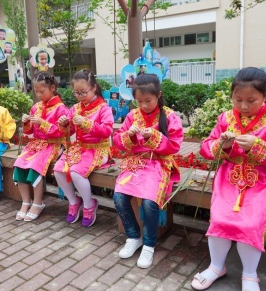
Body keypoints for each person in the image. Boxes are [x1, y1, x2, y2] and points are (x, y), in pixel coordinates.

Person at [193, 68, 266, 291]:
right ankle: (216, 266)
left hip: (262, 181)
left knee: (251, 224)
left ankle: (250, 275)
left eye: (251, 100)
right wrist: (223, 145)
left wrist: (257, 145)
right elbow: (206, 148)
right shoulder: (226, 118)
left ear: (265, 96)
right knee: (219, 220)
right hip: (228, 179)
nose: (243, 106)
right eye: (238, 99)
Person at [113, 73, 184, 269]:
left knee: (149, 202)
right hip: (136, 164)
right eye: (139, 101)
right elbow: (118, 141)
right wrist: (129, 135)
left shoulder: (169, 116)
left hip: (159, 164)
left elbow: (174, 146)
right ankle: (133, 236)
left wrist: (153, 136)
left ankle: (149, 244)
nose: (143, 105)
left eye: (148, 100)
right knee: (119, 196)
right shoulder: (132, 116)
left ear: (158, 95)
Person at [54, 69, 114, 227]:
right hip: (79, 148)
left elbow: (107, 131)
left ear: (93, 88)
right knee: (58, 169)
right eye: (76, 92)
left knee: (75, 172)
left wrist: (87, 123)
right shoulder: (75, 108)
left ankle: (89, 204)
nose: (79, 96)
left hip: (98, 149)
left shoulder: (103, 108)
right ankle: (74, 201)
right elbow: (69, 132)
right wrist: (64, 124)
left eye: (83, 92)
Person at [13, 72, 69, 222]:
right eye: (36, 91)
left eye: (42, 91)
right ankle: (26, 201)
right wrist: (26, 122)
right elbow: (29, 131)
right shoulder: (36, 107)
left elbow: (62, 132)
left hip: (53, 144)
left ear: (52, 88)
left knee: (35, 166)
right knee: (19, 163)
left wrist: (43, 123)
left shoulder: (61, 109)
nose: (38, 95)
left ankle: (38, 203)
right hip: (36, 144)